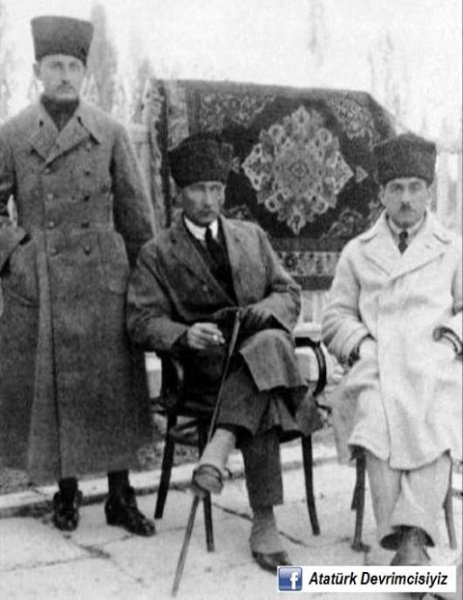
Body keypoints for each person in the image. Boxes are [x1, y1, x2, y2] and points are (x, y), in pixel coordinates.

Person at [127, 132, 319, 573]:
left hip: (253, 363)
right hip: (205, 370)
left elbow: (288, 292)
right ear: (180, 192)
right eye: (198, 189)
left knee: (266, 347)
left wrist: (263, 311)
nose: (208, 200)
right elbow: (140, 320)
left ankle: (220, 447)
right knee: (268, 379)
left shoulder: (251, 236)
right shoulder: (158, 253)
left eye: (216, 188)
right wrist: (184, 334)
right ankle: (264, 525)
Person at [0, 16, 156, 536]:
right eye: (55, 66)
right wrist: (18, 255)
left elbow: (136, 216)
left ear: (84, 73)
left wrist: (144, 286)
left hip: (104, 281)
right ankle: (66, 492)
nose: (64, 75)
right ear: (37, 71)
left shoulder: (109, 131)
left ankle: (120, 495)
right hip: (42, 280)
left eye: (73, 66)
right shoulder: (13, 134)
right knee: (56, 388)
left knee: (112, 390)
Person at [322, 132, 462, 565]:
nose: (405, 198)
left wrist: (452, 339)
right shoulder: (358, 252)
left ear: (429, 192)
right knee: (374, 419)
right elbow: (334, 318)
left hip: (434, 362)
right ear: (382, 193)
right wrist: (362, 346)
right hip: (376, 364)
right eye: (396, 188)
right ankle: (403, 541)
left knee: (440, 415)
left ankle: (411, 538)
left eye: (415, 187)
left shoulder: (453, 249)